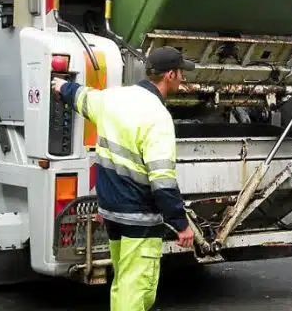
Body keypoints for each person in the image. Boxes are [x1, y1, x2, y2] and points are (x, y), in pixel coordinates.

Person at [51, 46, 196, 311]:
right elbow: (163, 181)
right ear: (170, 75)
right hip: (139, 219)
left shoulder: (113, 98)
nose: (183, 79)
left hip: (112, 214)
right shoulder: (158, 117)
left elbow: (81, 96)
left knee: (124, 282)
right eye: (181, 74)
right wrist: (181, 224)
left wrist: (61, 86)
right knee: (136, 288)